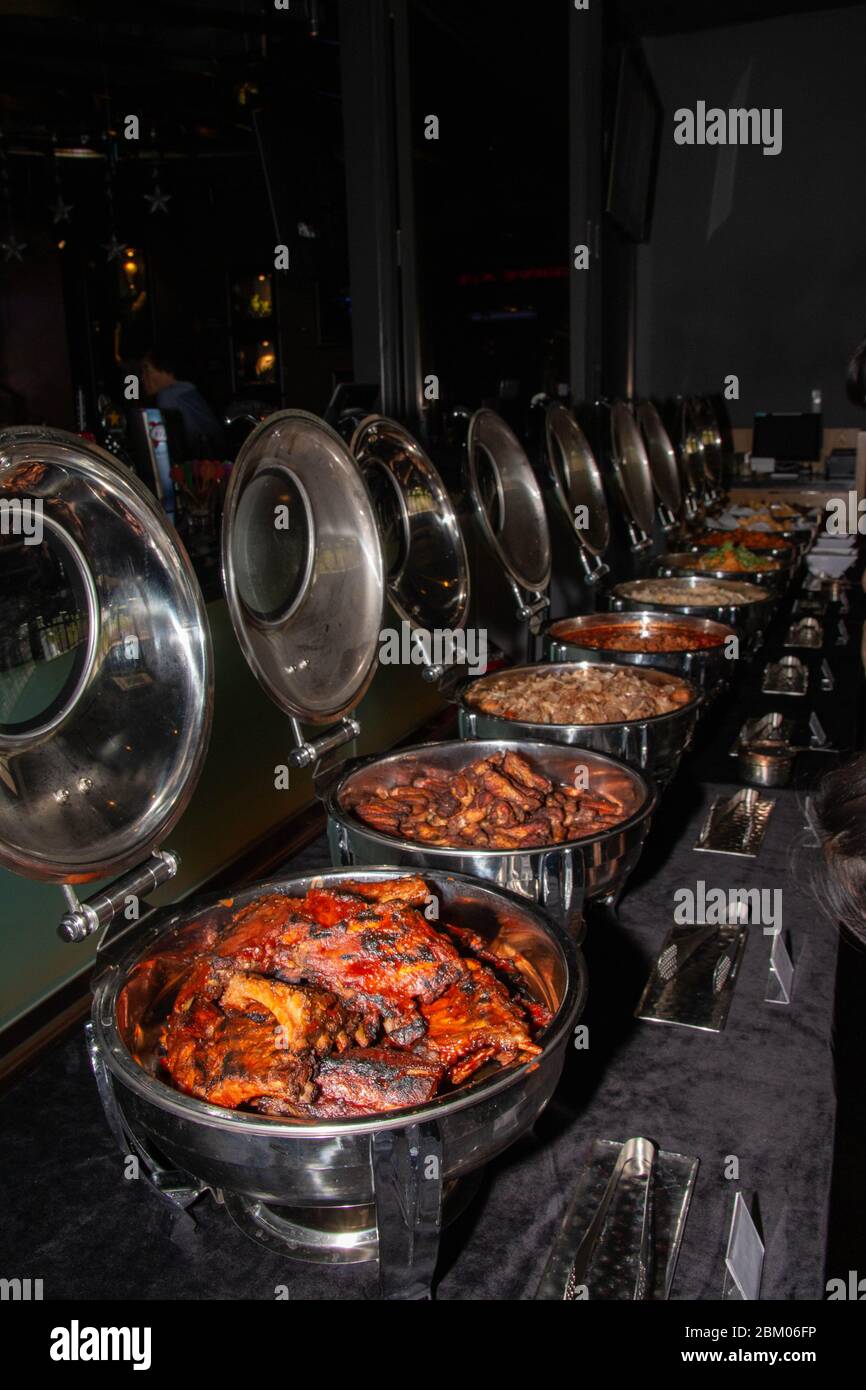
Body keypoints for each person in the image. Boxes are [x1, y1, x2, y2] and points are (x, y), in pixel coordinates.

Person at [139, 345, 227, 459]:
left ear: (166, 370)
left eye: (147, 369)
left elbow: (180, 449)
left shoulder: (168, 397)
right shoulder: (188, 391)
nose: (142, 377)